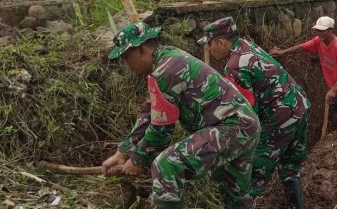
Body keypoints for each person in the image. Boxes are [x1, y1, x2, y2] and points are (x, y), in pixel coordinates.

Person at [101, 22, 260, 209]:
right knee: (234, 195)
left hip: (232, 127)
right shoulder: (167, 59)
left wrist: (138, 160)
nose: (127, 64)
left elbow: (161, 130)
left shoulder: (166, 71)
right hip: (245, 126)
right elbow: (149, 112)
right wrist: (123, 152)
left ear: (142, 50)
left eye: (127, 57)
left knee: (166, 165)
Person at [198, 17, 310, 208]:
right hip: (300, 106)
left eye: (209, 44)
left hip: (280, 117)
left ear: (220, 42)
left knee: (250, 177)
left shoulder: (234, 66)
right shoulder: (247, 46)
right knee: (290, 169)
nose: (209, 49)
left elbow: (246, 114)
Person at [271, 16, 337, 128]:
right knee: (334, 113)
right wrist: (282, 52)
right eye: (318, 30)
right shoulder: (319, 41)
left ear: (331, 30)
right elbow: (301, 47)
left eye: (323, 31)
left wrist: (333, 89)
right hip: (335, 85)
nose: (320, 33)